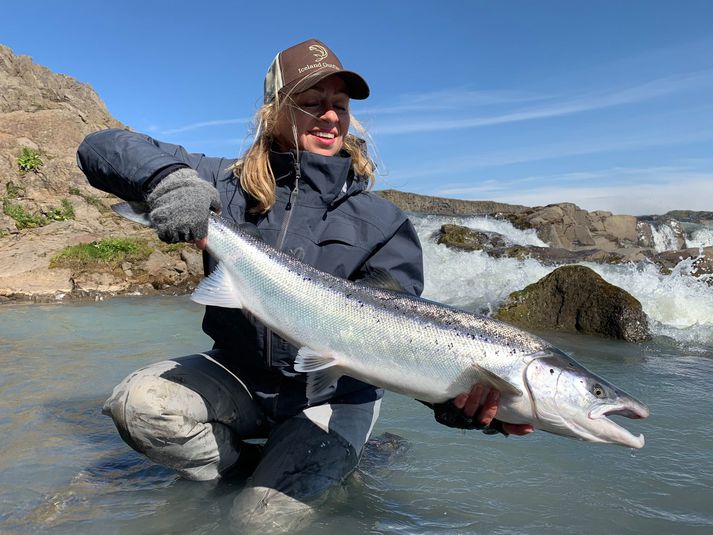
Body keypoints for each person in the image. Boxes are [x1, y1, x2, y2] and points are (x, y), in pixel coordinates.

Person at [77, 38, 533, 533]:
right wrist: (168, 180)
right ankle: (239, 469)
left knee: (258, 523)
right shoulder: (222, 185)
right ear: (272, 112)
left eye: (339, 106)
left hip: (333, 397)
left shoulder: (383, 222)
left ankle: (322, 461)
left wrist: (459, 405)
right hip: (240, 376)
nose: (329, 117)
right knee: (138, 405)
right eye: (311, 104)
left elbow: (402, 340)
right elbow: (100, 146)